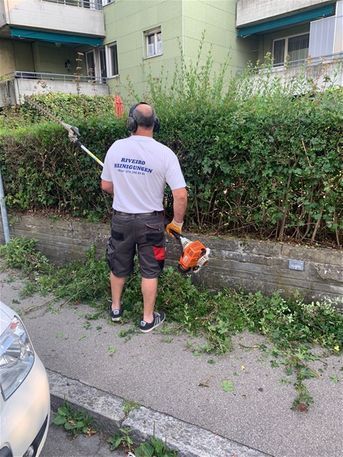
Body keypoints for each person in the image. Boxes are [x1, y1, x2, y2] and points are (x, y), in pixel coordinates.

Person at [101, 102, 187, 332]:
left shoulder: (116, 148)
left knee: (118, 264)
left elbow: (106, 185)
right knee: (150, 270)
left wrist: (123, 189)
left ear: (131, 122)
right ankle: (147, 319)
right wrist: (177, 223)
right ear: (154, 123)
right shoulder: (164, 153)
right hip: (151, 223)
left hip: (121, 220)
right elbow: (180, 195)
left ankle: (116, 309)